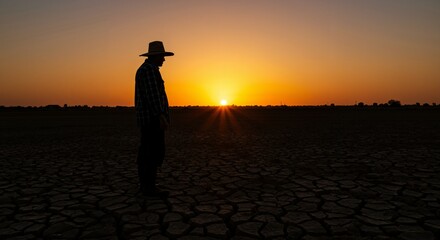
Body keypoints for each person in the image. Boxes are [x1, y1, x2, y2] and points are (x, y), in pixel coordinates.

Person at [135, 41, 174, 197]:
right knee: (152, 152)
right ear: (156, 56)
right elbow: (153, 97)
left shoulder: (145, 69)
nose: (164, 60)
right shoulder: (150, 70)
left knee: (148, 151)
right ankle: (148, 187)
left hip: (148, 119)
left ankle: (147, 185)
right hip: (152, 119)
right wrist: (161, 116)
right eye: (162, 57)